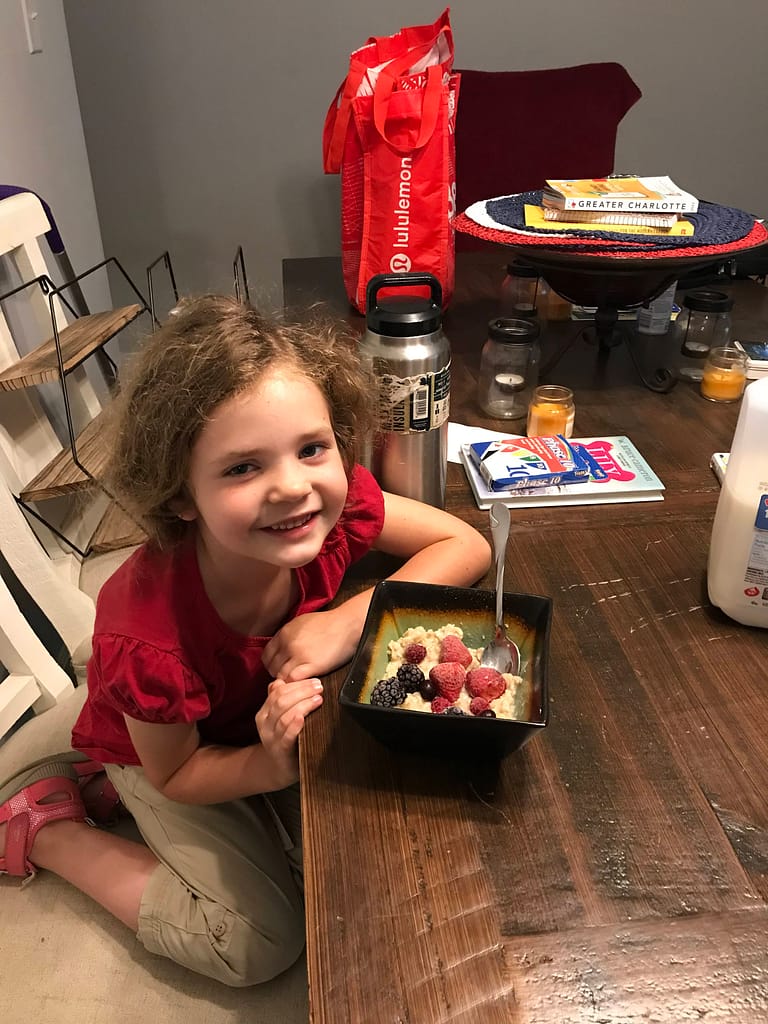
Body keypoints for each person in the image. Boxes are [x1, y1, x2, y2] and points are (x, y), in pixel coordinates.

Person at [0, 296, 491, 987]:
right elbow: (177, 773)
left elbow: (462, 543)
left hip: (240, 717)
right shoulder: (149, 641)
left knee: (365, 851)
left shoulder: (338, 499)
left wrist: (344, 621)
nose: (293, 486)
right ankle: (46, 828)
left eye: (312, 449)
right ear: (179, 495)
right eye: (241, 468)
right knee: (258, 940)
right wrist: (268, 766)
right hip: (167, 753)